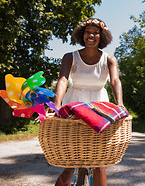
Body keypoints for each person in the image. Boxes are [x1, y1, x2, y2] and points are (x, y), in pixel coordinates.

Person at [52, 18, 124, 186]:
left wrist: (120, 104)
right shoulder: (70, 57)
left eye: (96, 32)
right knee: (70, 160)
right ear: (82, 35)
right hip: (74, 104)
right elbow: (63, 80)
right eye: (88, 32)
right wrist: (56, 105)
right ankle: (69, 171)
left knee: (99, 161)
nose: (91, 35)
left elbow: (115, 81)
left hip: (100, 105)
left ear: (102, 36)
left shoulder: (109, 59)